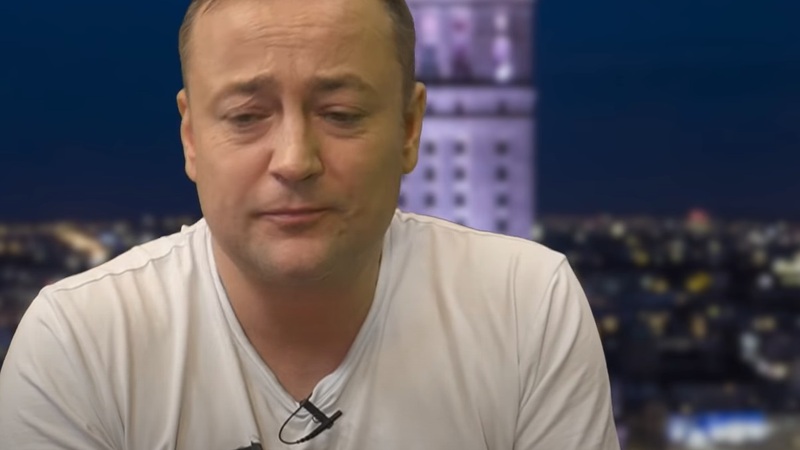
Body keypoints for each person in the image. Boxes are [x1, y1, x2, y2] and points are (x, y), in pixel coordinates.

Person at [0, 0, 620, 448]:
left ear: (409, 128)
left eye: (341, 113)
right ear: (190, 137)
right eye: (247, 117)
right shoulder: (79, 342)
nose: (295, 161)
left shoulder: (525, 304)